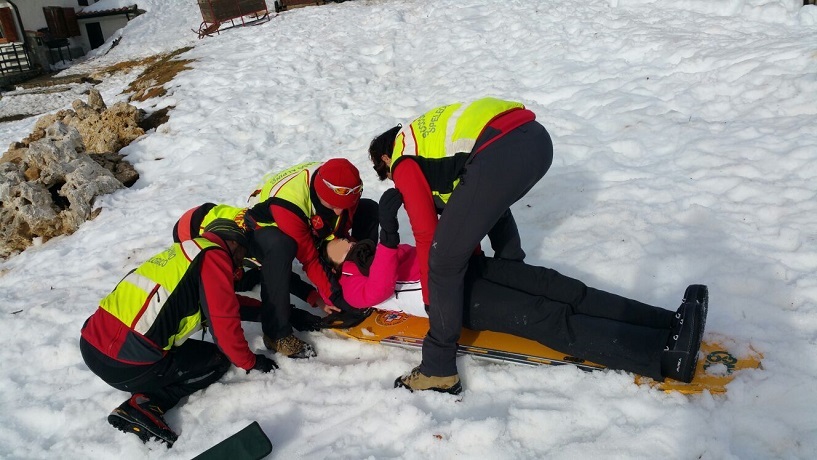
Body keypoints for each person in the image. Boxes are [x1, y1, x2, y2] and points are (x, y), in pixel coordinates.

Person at [323, 189, 708, 394]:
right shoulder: (352, 284)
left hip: (471, 268)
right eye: (337, 244)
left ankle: (667, 322)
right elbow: (377, 292)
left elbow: (430, 250)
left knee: (566, 290)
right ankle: (661, 355)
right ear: (336, 264)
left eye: (347, 237)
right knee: (549, 318)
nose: (346, 240)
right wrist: (387, 238)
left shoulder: (383, 251)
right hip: (453, 296)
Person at [368, 97, 553, 392]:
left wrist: (434, 301)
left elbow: (428, 236)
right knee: (493, 209)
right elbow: (473, 215)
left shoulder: (403, 158)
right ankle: (515, 278)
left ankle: (438, 367)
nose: (395, 183)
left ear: (385, 159)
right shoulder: (428, 142)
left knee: (441, 261)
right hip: (535, 140)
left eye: (388, 176)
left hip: (501, 151)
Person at [79, 219, 278, 446]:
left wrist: (271, 312)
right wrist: (250, 362)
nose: (240, 265)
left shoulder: (182, 254)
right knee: (217, 360)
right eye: (242, 254)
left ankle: (147, 389)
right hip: (126, 362)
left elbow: (225, 304)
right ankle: (146, 405)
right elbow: (224, 324)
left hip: (93, 345)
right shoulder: (215, 256)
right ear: (232, 242)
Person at [245, 159, 378, 359]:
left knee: (368, 209)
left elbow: (338, 224)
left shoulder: (343, 183)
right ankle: (276, 333)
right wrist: (334, 297)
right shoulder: (289, 204)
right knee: (282, 246)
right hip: (268, 226)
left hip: (308, 220)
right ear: (319, 194)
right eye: (333, 205)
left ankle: (360, 271)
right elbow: (309, 259)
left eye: (344, 205)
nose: (339, 211)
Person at [173, 202, 330, 329]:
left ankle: (245, 276)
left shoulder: (276, 230)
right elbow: (226, 304)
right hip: (190, 229)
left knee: (248, 270)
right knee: (220, 284)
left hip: (216, 216)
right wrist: (292, 312)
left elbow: (277, 269)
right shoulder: (263, 243)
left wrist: (312, 296)